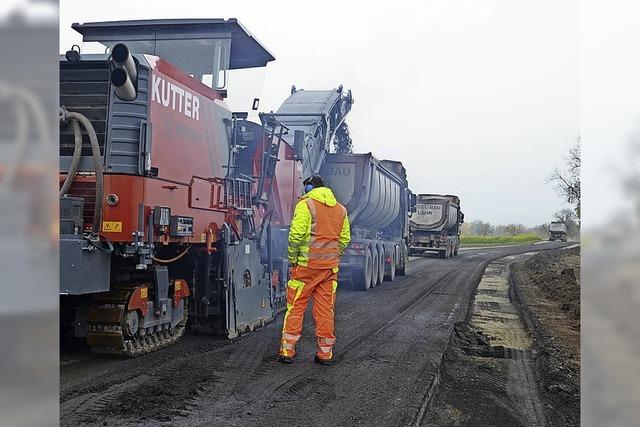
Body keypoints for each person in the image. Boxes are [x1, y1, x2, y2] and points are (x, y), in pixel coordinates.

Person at [278, 175, 350, 365]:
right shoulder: (341, 210)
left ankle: (287, 351)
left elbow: (296, 234)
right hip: (328, 271)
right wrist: (334, 256)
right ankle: (325, 354)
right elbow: (344, 239)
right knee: (325, 311)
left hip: (305, 268)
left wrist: (292, 257)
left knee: (296, 307)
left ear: (309, 187)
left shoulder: (306, 205)